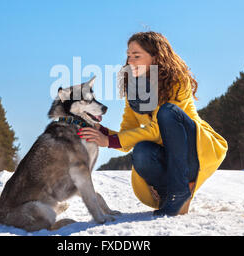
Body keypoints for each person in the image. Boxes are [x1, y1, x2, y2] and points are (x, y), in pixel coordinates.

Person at [78, 31, 228, 216]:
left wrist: (111, 141)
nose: (130, 61)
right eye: (128, 55)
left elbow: (158, 130)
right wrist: (99, 130)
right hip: (167, 157)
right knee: (141, 151)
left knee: (167, 113)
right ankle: (169, 195)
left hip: (193, 150)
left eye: (136, 56)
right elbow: (127, 135)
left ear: (155, 57)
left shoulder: (177, 81)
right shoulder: (134, 91)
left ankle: (180, 190)